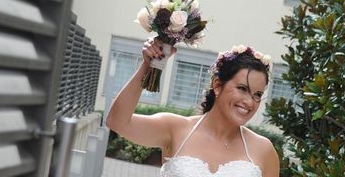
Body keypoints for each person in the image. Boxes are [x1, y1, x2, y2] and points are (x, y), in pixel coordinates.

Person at [106, 38, 280, 177]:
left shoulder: (263, 150)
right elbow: (117, 121)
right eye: (242, 89)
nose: (250, 102)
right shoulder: (175, 129)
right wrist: (149, 65)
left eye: (257, 95)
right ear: (218, 85)